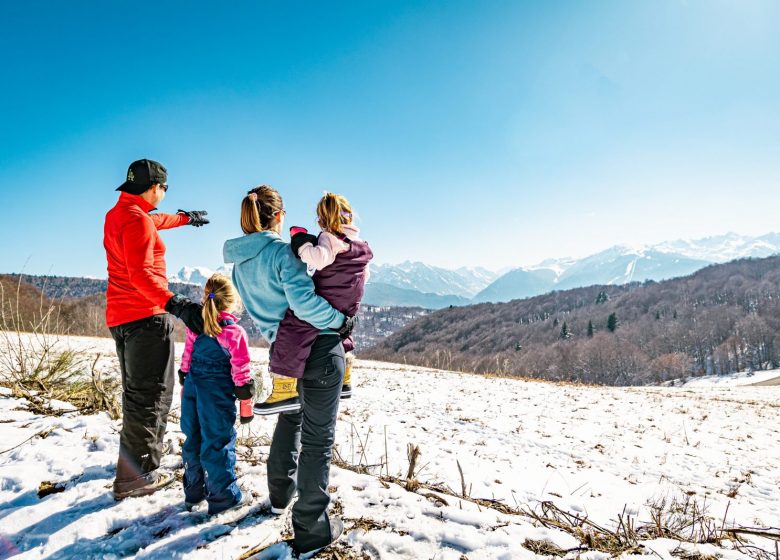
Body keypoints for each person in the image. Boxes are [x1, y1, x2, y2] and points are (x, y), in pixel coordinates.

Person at [223, 185, 355, 554]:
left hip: (283, 351)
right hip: (318, 346)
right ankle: (312, 529)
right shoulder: (283, 254)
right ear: (278, 216)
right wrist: (340, 321)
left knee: (291, 420)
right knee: (318, 439)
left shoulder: (240, 265)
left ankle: (280, 495)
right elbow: (304, 303)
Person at [104, 158, 209, 500]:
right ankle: (138, 476)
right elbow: (141, 275)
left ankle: (133, 466)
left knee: (137, 393)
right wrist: (176, 304)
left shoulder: (121, 214)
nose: (165, 193)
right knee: (152, 396)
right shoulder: (138, 222)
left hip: (121, 318)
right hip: (146, 317)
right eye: (165, 188)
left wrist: (185, 218)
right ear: (154, 188)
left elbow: (154, 219)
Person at [255, 192, 373, 415]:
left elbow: (319, 259)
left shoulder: (330, 238)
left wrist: (300, 244)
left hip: (329, 297)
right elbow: (365, 276)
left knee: (293, 327)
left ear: (324, 219)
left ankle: (284, 389)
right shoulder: (361, 245)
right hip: (349, 303)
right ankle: (345, 376)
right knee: (342, 331)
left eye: (318, 219)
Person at [178, 273, 255, 514]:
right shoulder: (234, 333)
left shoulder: (196, 327)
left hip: (192, 388)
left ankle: (193, 492)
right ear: (232, 302)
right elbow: (241, 371)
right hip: (216, 393)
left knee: (193, 438)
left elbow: (186, 360)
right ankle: (224, 498)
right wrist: (246, 401)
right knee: (218, 441)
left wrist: (184, 382)